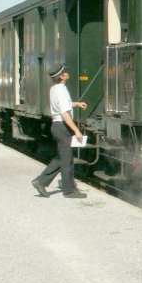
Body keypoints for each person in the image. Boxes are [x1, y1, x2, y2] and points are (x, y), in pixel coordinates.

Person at [32, 64, 87, 199]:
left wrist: (76, 104)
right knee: (67, 159)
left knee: (60, 157)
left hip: (56, 126)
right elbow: (64, 113)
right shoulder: (62, 90)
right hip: (63, 126)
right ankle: (68, 191)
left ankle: (41, 181)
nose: (67, 73)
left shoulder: (54, 89)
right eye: (65, 72)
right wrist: (76, 130)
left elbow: (61, 105)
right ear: (62, 76)